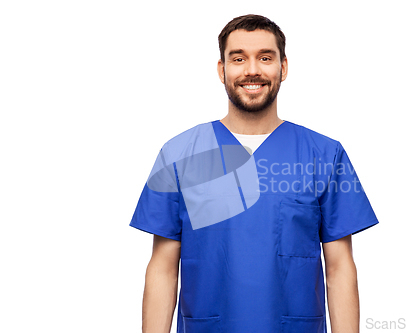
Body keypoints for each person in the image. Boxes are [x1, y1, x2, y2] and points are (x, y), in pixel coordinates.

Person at [130, 14, 379, 333]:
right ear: (222, 70)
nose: (252, 70)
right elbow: (163, 268)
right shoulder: (180, 154)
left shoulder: (324, 155)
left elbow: (340, 267)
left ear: (283, 68)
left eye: (265, 57)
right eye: (238, 58)